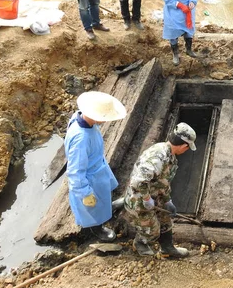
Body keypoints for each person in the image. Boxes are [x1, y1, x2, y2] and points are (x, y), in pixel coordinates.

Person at [122, 123, 197, 258]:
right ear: (184, 146)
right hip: (139, 200)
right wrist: (146, 199)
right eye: (187, 148)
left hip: (155, 197)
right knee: (152, 231)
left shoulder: (170, 156)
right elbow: (137, 182)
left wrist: (168, 200)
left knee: (166, 219)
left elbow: (163, 182)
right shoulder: (157, 156)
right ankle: (140, 243)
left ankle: (167, 248)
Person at [64, 91, 127, 241]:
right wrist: (85, 193)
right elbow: (75, 172)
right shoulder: (81, 139)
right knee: (93, 206)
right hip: (90, 178)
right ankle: (97, 228)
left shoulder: (80, 117)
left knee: (103, 196)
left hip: (97, 167)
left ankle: (108, 207)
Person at [161, 0, 201, 66]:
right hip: (174, 10)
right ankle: (175, 54)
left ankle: (189, 49)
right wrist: (178, 5)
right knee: (173, 32)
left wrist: (193, 1)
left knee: (188, 30)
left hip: (188, 9)